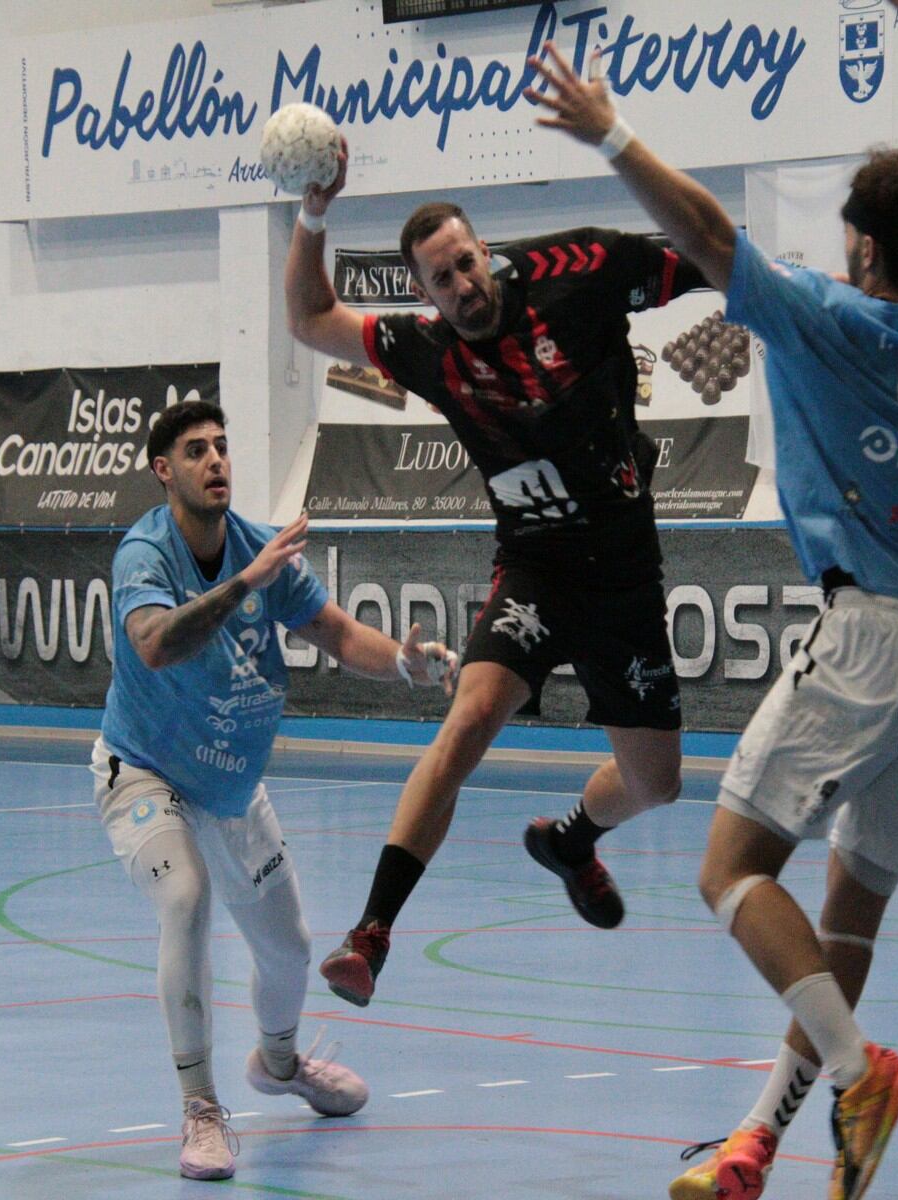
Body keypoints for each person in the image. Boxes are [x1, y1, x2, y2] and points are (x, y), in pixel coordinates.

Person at [529, 1, 898, 1197]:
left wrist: (610, 133)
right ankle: (761, 1144)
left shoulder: (839, 318)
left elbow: (705, 229)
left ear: (868, 256)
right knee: (848, 920)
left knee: (731, 870)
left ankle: (855, 1078)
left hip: (871, 638)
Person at [283, 135, 709, 1008]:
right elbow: (305, 317)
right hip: (536, 571)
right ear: (422, 292)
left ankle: (572, 839)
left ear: (486, 254)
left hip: (624, 580)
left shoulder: (579, 273)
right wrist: (312, 212)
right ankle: (371, 934)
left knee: (656, 784)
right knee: (469, 719)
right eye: (441, 279)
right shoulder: (429, 352)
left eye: (467, 264)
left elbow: (712, 255)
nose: (461, 286)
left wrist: (804, 300)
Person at [92, 399, 458, 1180]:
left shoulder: (260, 547)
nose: (216, 461)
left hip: (231, 785)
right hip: (145, 770)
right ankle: (200, 1107)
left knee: (289, 953)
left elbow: (335, 631)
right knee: (184, 901)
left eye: (222, 447)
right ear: (164, 471)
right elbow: (155, 645)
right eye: (196, 451)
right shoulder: (144, 554)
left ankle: (281, 1064)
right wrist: (243, 583)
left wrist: (405, 662)